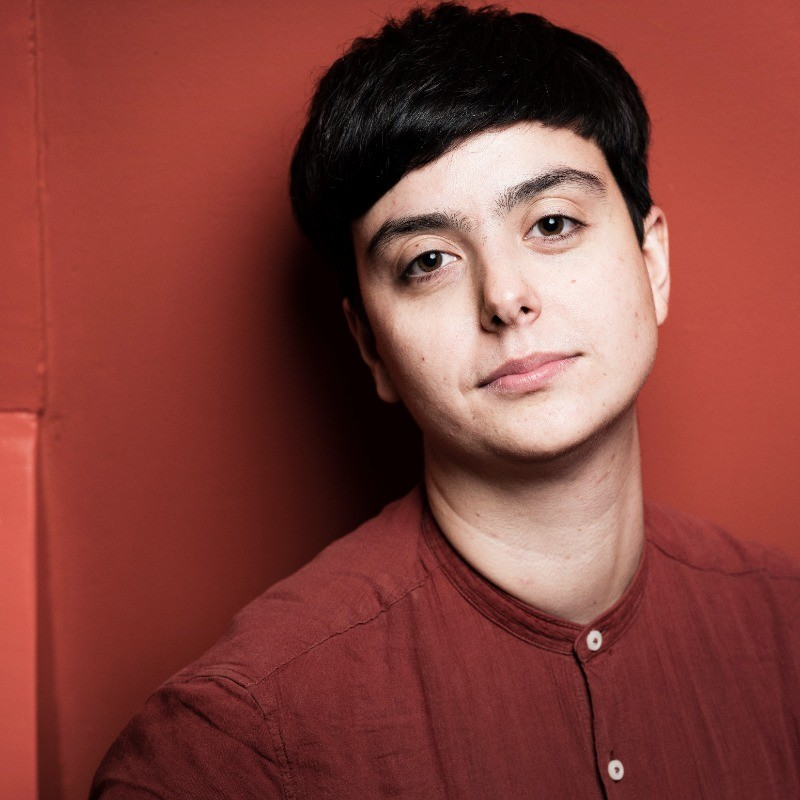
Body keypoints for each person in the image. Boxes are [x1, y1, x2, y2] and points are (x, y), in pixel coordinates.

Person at [91, 4, 800, 797]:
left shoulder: (786, 629)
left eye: (553, 223)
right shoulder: (236, 743)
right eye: (428, 261)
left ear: (652, 262)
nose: (505, 298)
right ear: (370, 345)